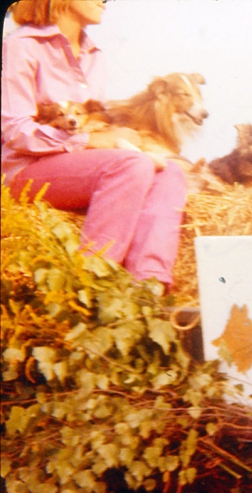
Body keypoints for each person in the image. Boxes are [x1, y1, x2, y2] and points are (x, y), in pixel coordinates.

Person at [2, 0, 186, 290]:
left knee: (170, 173)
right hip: (25, 171)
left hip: (74, 166)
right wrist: (89, 140)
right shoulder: (21, 45)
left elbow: (96, 121)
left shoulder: (95, 55)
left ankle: (149, 285)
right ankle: (91, 281)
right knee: (131, 164)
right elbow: (15, 131)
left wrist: (116, 139)